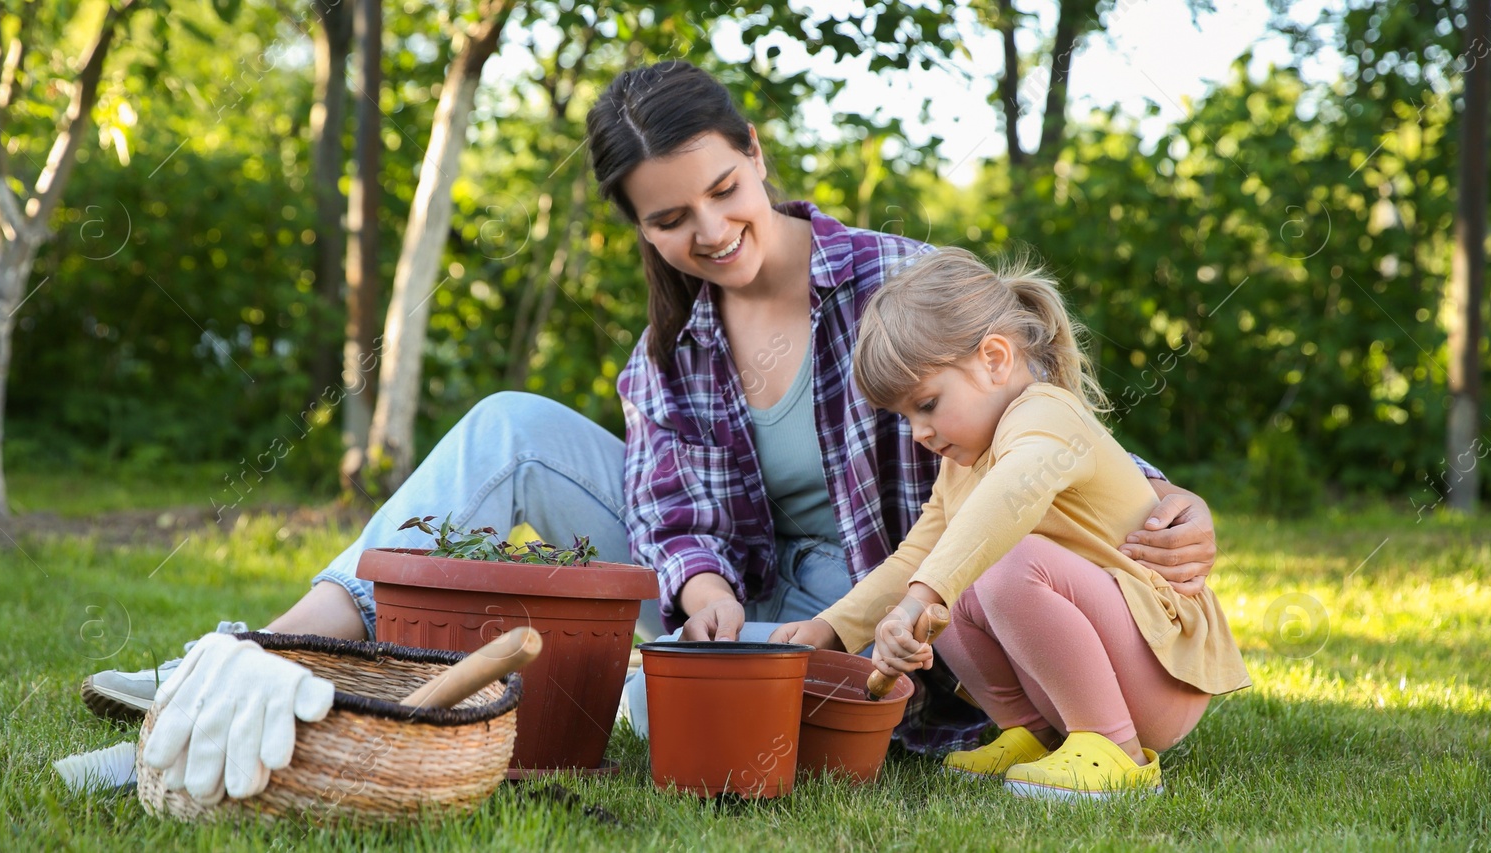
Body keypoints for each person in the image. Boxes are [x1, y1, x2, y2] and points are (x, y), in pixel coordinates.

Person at [84, 60, 1221, 801]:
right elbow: (670, 512)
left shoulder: (895, 280)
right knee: (506, 430)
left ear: (756, 155)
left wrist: (1178, 505)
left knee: (627, 706)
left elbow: (1039, 429)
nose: (714, 230)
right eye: (671, 220)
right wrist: (694, 582)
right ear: (638, 226)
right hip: (750, 611)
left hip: (881, 614)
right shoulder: (667, 353)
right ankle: (267, 654)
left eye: (725, 190)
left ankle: (314, 687)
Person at [768, 247, 1251, 800]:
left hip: (1162, 673)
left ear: (995, 358)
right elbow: (915, 558)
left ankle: (1117, 753)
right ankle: (1034, 733)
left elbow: (1008, 499)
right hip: (1093, 678)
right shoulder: (961, 463)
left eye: (926, 404)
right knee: (946, 578)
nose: (918, 432)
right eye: (905, 417)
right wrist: (828, 629)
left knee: (998, 563)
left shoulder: (1046, 413)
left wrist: (918, 597)